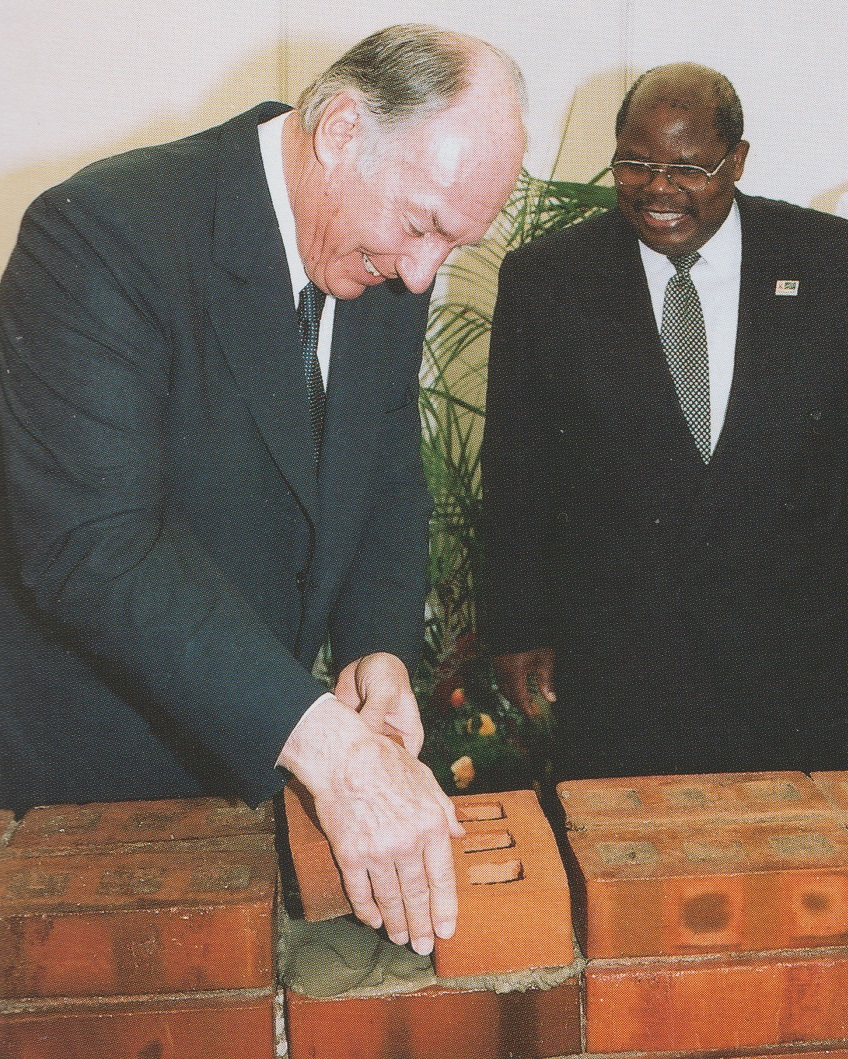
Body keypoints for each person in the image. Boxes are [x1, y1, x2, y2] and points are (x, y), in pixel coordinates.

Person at [0, 25, 527, 955]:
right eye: (421, 226)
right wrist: (326, 745)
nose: (421, 274)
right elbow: (96, 547)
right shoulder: (101, 235)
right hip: (96, 779)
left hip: (257, 756)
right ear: (338, 132)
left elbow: (387, 467)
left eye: (453, 243)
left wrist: (378, 648)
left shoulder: (387, 255)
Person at [482, 62, 848, 781]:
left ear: (736, 162)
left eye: (688, 167)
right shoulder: (547, 278)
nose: (658, 187)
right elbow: (516, 468)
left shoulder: (829, 263)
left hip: (798, 654)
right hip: (622, 660)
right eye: (635, 164)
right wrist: (516, 624)